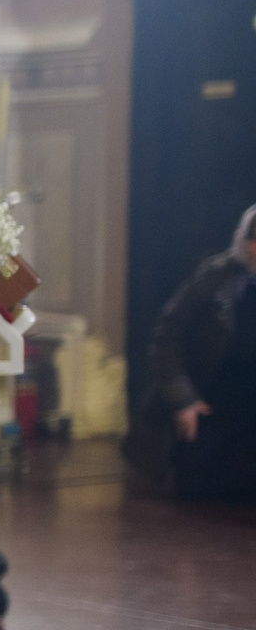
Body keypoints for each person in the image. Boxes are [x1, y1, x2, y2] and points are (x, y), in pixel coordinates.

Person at [130, 203, 256, 501]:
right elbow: (166, 337)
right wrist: (183, 399)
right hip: (212, 399)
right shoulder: (215, 276)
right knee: (205, 487)